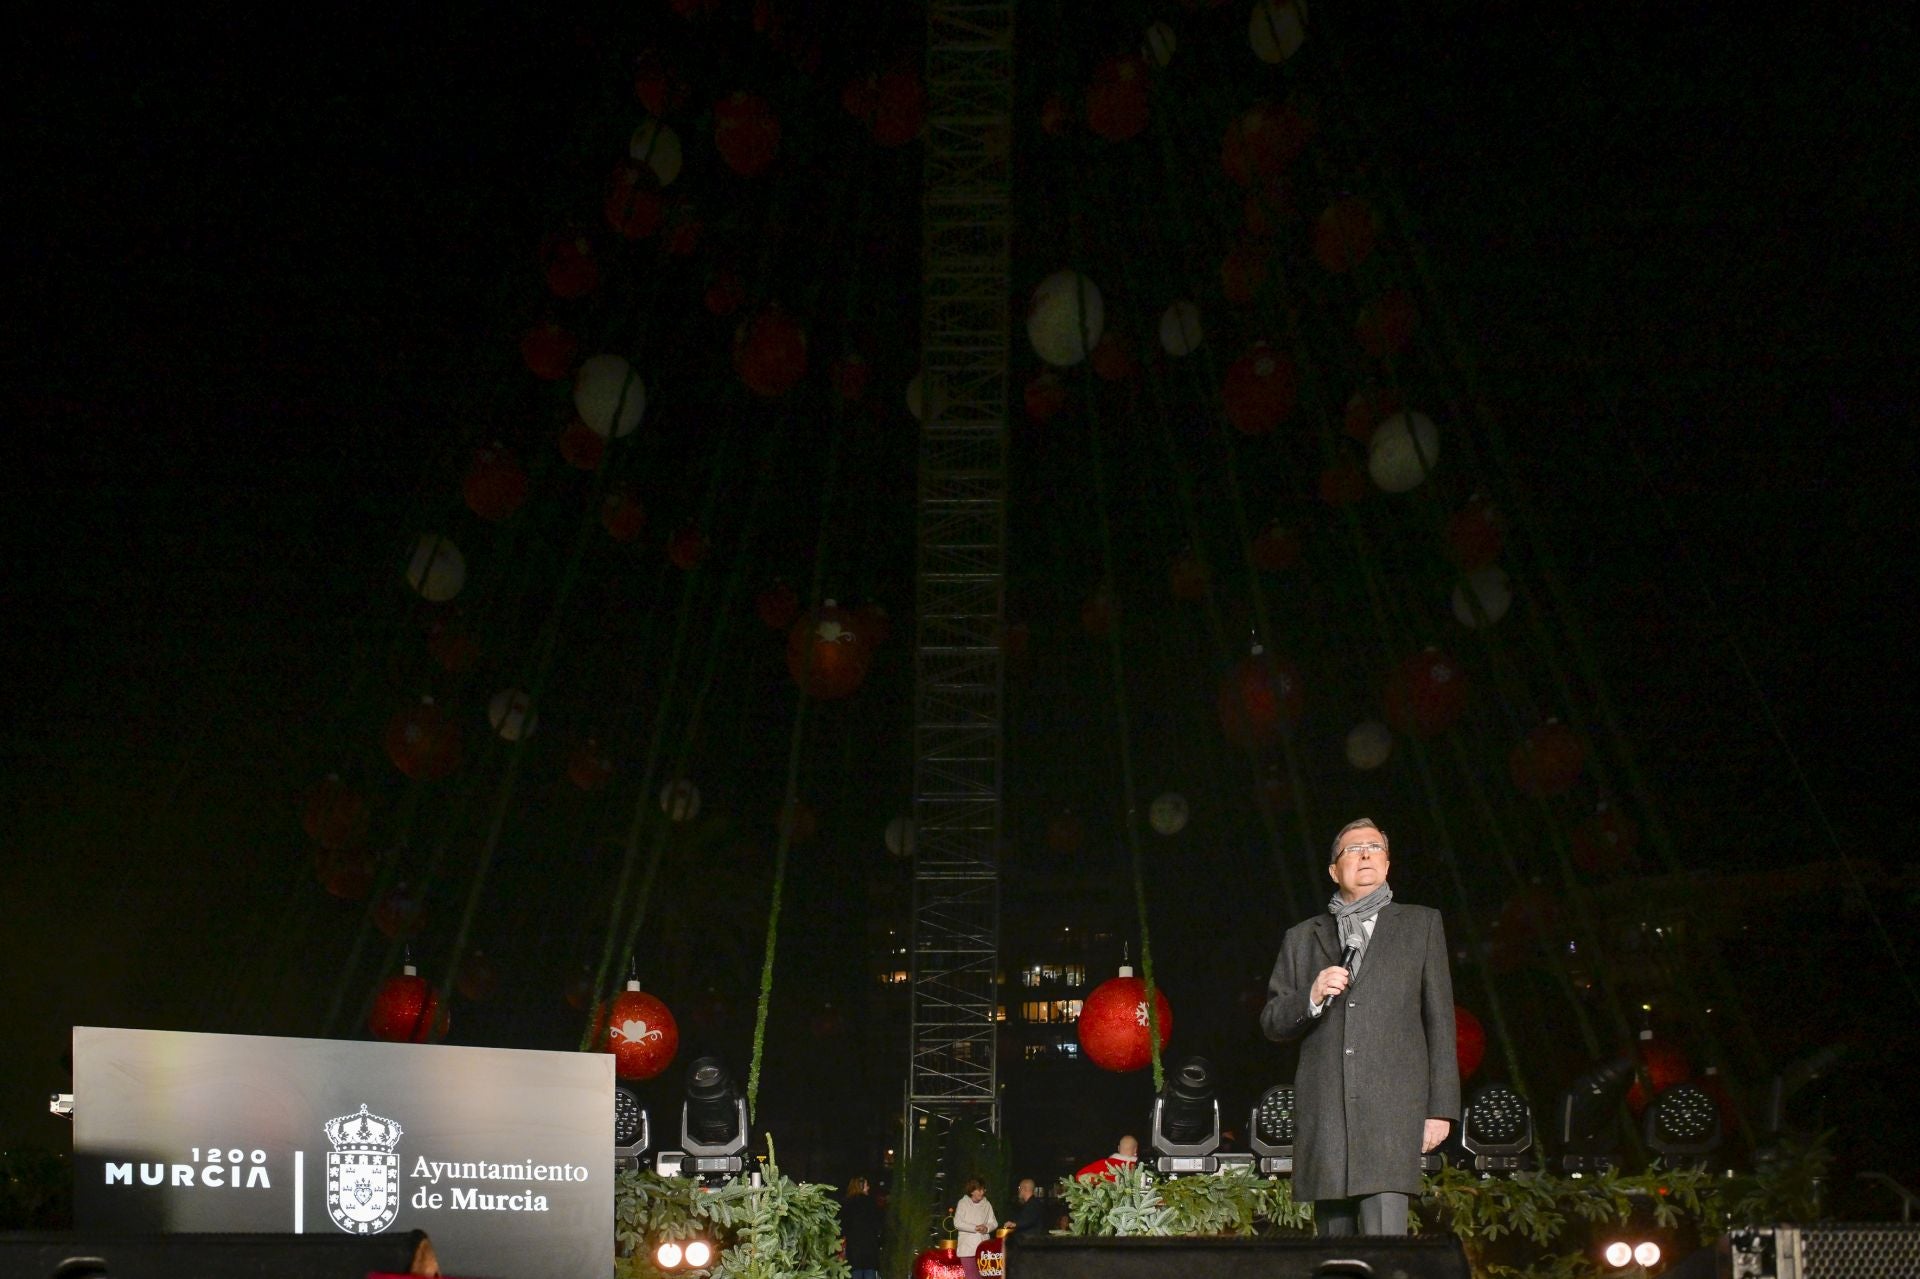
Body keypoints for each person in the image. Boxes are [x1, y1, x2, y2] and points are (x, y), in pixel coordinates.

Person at [1260, 817, 1459, 1237]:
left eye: (1373, 847)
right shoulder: (1302, 937)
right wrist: (1310, 997)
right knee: (1335, 1253)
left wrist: (1440, 1108)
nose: (1364, 854)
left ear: (1387, 864)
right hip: (1326, 1114)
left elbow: (1440, 1021)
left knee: (1385, 1250)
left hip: (1392, 1115)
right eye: (1352, 850)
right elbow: (1273, 1022)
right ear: (1334, 871)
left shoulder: (1421, 925)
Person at [953, 1178, 998, 1279]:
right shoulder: (963, 1203)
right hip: (967, 1249)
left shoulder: (987, 1204)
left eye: (983, 1189)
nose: (983, 1192)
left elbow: (994, 1222)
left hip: (983, 1249)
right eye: (980, 1189)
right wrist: (975, 1228)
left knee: (984, 1277)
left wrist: (986, 1228)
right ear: (972, 1191)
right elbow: (957, 1222)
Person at [839, 1175, 881, 1279]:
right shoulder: (870, 1203)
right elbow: (878, 1225)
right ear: (861, 1186)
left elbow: (843, 1227)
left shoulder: (847, 1204)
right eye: (866, 1185)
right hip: (870, 1251)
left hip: (854, 1251)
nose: (868, 1187)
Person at [1072, 1134, 1139, 1181]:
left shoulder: (1105, 1164)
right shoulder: (1142, 1168)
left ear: (1118, 1148)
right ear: (1135, 1149)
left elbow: (1080, 1176)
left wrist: (1099, 1180)